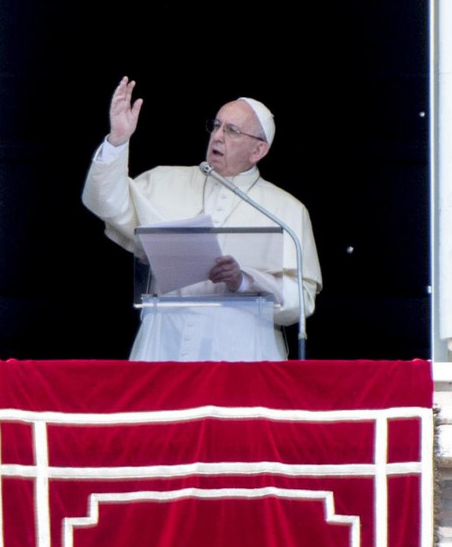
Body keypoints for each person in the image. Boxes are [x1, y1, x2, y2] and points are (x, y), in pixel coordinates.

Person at [82, 76, 322, 361]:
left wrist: (244, 281)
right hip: (165, 344)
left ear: (258, 150)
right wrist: (118, 140)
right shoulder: (164, 181)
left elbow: (301, 302)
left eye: (232, 131)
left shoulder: (286, 209)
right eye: (216, 126)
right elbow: (105, 202)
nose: (218, 136)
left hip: (243, 352)